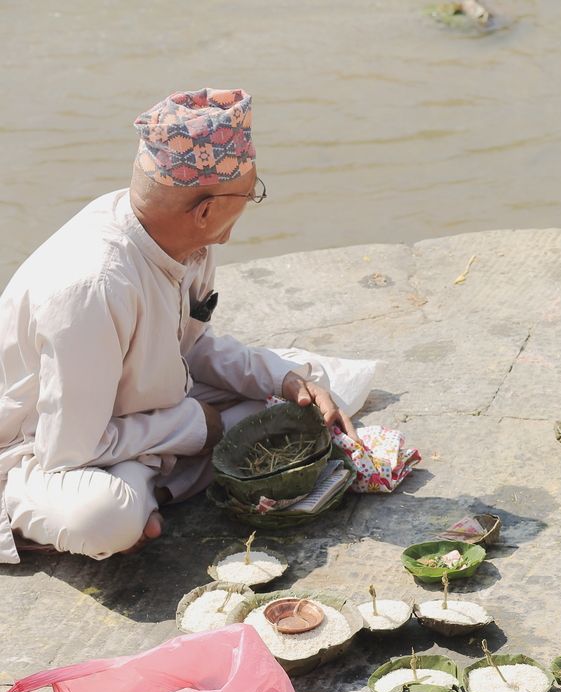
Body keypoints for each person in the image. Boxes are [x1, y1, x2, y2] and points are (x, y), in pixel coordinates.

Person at [0, 88, 358, 564]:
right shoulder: (93, 287)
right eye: (251, 193)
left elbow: (192, 347)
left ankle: (156, 488)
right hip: (42, 449)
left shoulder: (186, 242)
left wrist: (284, 379)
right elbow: (69, 450)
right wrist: (190, 426)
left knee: (308, 395)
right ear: (205, 211)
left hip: (138, 416)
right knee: (106, 517)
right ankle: (53, 511)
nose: (253, 201)